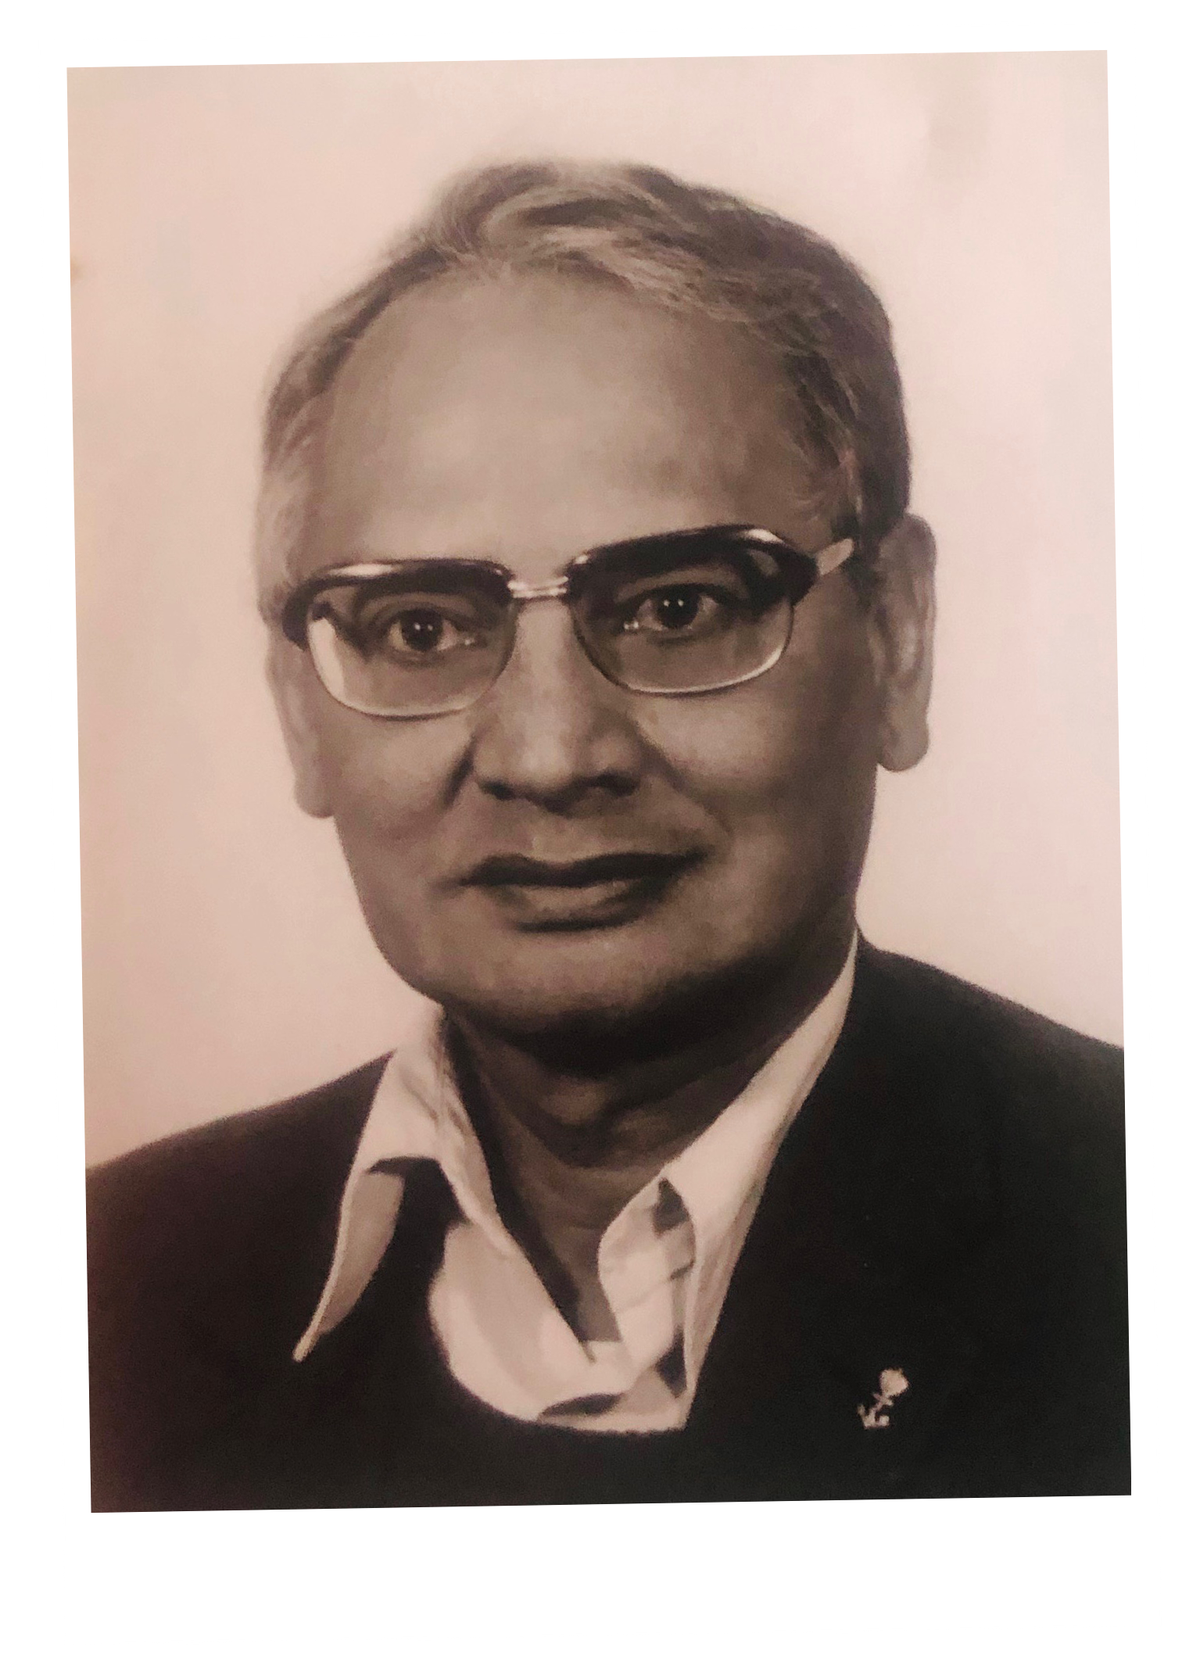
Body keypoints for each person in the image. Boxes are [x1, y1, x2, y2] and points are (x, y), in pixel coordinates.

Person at [86, 160, 1129, 1511]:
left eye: (677, 607)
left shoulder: (1118, 1220)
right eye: (422, 628)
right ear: (301, 712)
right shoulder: (116, 1277)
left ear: (898, 637)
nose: (551, 754)